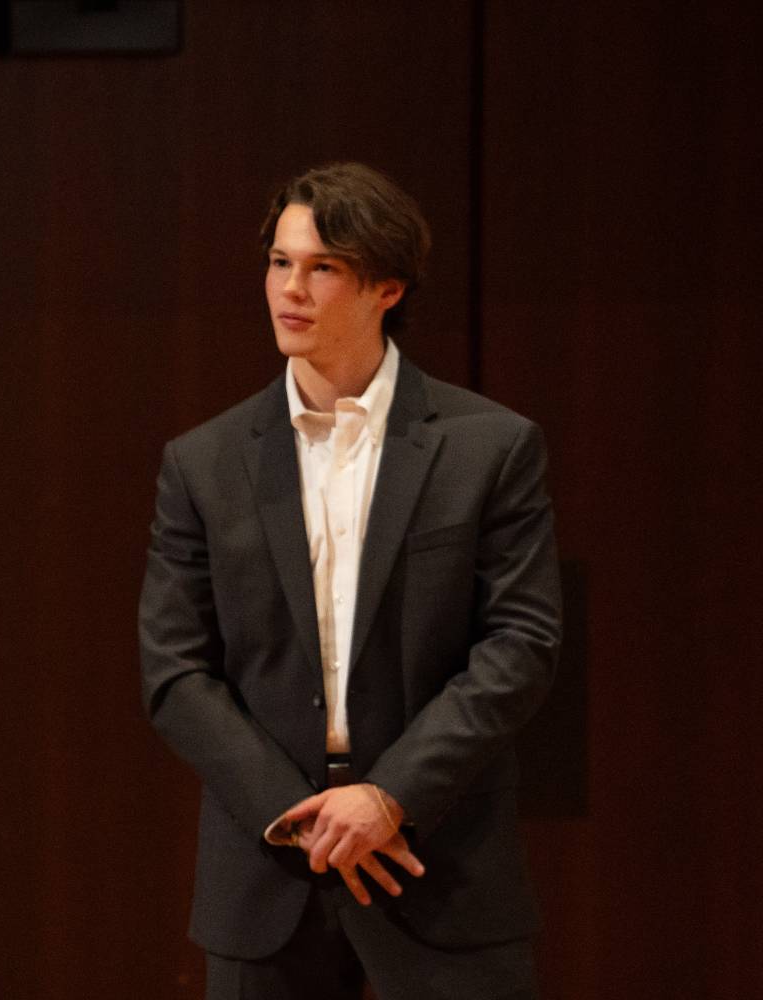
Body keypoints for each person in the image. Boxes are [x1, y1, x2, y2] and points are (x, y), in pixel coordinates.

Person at [138, 162, 561, 1000]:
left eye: (323, 267)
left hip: (436, 864)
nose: (290, 290)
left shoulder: (490, 446)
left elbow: (521, 644)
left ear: (387, 287)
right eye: (279, 263)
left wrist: (391, 796)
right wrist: (296, 813)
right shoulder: (203, 462)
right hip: (267, 872)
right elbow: (175, 668)